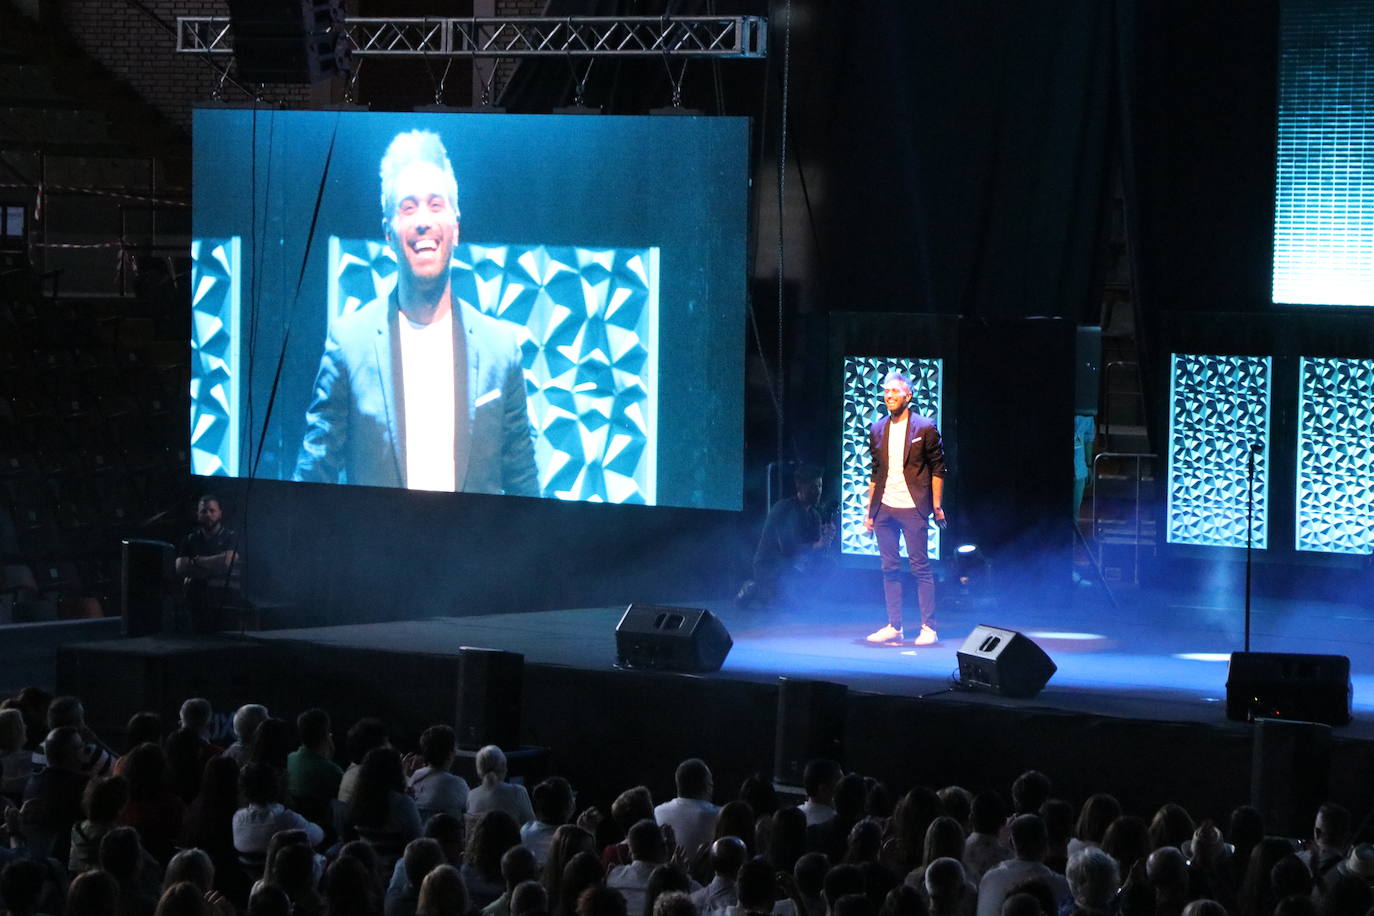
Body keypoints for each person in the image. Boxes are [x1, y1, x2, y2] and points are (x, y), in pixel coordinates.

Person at [292, 128, 539, 496]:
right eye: (408, 207)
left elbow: (524, 487)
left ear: (455, 227)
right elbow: (312, 482)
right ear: (388, 232)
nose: (423, 219)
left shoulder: (500, 348)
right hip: (380, 552)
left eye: (436, 204)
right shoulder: (349, 344)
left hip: (472, 552)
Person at [863, 370, 947, 647]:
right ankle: (894, 625)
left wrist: (936, 506)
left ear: (908, 395)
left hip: (913, 506)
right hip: (885, 507)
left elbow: (938, 467)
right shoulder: (877, 428)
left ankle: (928, 627)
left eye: (895, 392)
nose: (889, 396)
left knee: (920, 566)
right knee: (889, 567)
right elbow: (875, 472)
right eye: (886, 392)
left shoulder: (925, 427)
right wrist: (869, 512)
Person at [738, 465, 836, 607]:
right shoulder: (784, 509)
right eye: (813, 487)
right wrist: (818, 544)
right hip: (772, 566)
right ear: (800, 487)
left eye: (819, 486)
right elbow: (787, 549)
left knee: (829, 563)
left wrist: (826, 540)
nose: (817, 492)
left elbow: (815, 552)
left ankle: (794, 597)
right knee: (782, 598)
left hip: (796, 567)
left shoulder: (814, 516)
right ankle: (757, 589)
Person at [174, 495, 241, 633]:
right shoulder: (189, 540)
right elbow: (181, 568)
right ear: (198, 515)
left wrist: (197, 561)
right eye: (204, 511)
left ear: (220, 513)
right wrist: (215, 567)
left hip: (226, 602)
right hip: (196, 604)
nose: (208, 514)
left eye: (212, 510)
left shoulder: (232, 537)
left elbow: (227, 561)